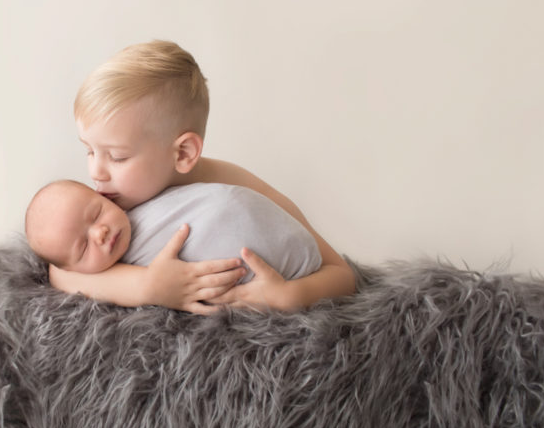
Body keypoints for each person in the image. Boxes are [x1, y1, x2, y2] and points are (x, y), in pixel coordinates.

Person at [48, 39, 355, 314]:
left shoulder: (237, 187)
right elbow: (60, 270)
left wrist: (289, 296)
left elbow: (340, 275)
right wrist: (147, 287)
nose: (95, 171)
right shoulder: (107, 202)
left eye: (117, 156)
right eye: (89, 151)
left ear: (183, 154)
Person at [25, 179, 322, 286]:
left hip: (280, 232)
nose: (100, 233)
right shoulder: (118, 275)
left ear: (104, 196)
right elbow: (61, 276)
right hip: (282, 268)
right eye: (83, 247)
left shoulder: (142, 193)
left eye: (96, 213)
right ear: (77, 267)